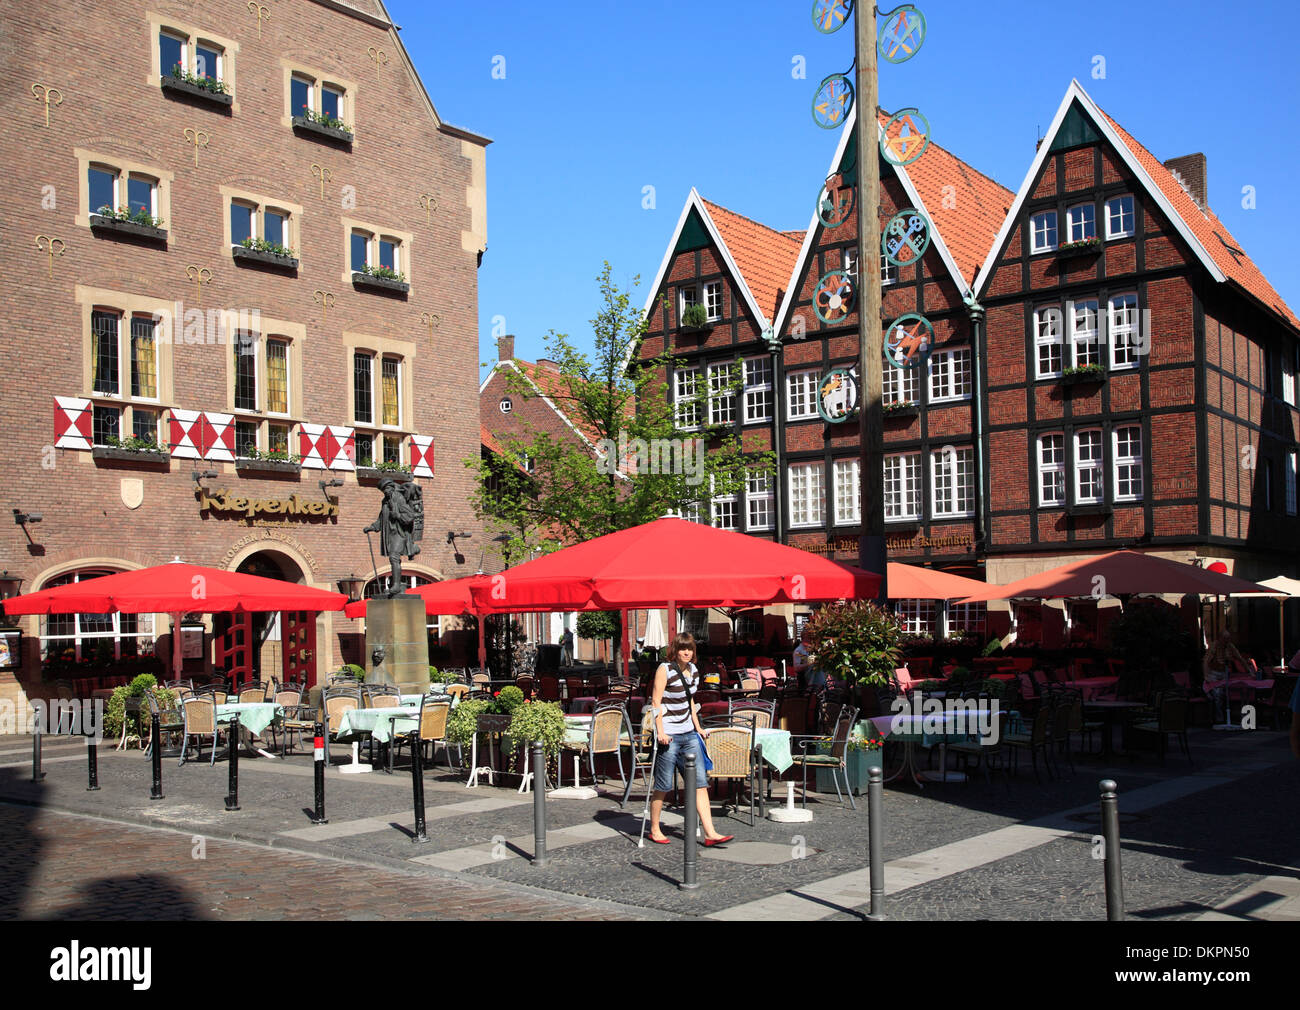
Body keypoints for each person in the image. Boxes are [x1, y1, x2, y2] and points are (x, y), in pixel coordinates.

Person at [646, 632, 733, 846]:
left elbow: (690, 701)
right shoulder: (664, 669)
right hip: (669, 734)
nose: (686, 652)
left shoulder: (694, 671)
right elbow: (655, 702)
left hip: (689, 734)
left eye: (690, 649)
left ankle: (710, 832)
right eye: (682, 648)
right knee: (664, 785)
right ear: (674, 650)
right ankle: (655, 828)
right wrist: (661, 732)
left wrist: (698, 727)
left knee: (700, 783)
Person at [1203, 628, 1246, 724]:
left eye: (1228, 638)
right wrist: (1206, 676)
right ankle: (1219, 718)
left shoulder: (1230, 646)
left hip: (1224, 673)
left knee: (1229, 692)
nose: (1227, 641)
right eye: (1225, 638)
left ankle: (1232, 716)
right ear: (1220, 638)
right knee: (1217, 694)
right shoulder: (1214, 646)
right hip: (1213, 673)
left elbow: (1240, 658)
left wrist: (1249, 671)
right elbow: (1206, 661)